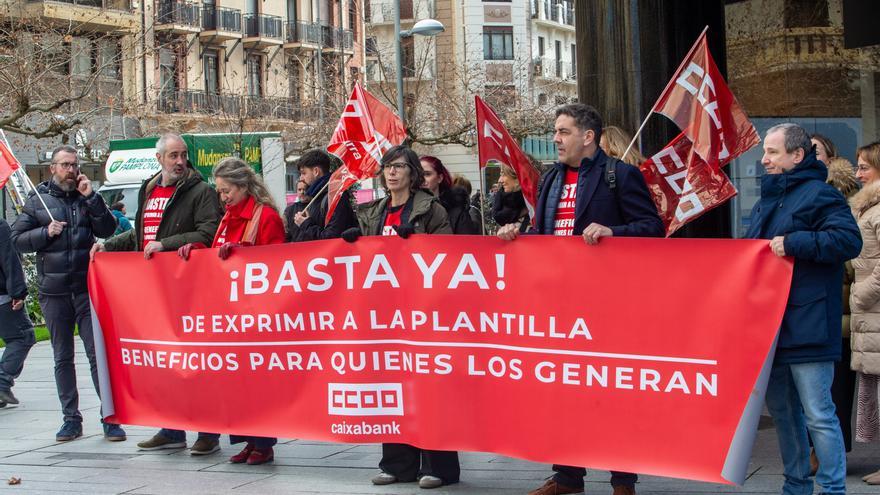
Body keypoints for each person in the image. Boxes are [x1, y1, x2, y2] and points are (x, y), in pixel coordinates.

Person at [500, 104, 664, 495]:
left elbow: (653, 229)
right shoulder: (550, 179)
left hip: (609, 304)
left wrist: (613, 231)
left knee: (612, 392)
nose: (555, 138)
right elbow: (544, 232)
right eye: (555, 131)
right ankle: (568, 475)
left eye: (562, 131)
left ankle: (623, 478)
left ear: (587, 136)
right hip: (560, 303)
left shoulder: (620, 175)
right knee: (563, 390)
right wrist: (516, 236)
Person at [745, 123, 861, 495]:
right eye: (765, 152)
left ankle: (831, 489)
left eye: (773, 153)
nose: (764, 159)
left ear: (797, 156)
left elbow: (847, 241)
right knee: (783, 415)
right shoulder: (767, 200)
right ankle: (796, 486)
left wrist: (794, 242)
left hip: (809, 323)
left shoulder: (821, 196)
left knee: (818, 414)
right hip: (772, 326)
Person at [91, 133, 223, 455]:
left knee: (197, 364)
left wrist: (167, 245)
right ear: (159, 158)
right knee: (165, 363)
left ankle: (209, 432)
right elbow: (143, 235)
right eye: (173, 156)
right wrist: (108, 246)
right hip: (156, 293)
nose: (180, 161)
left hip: (188, 291)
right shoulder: (150, 190)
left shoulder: (201, 192)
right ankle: (171, 428)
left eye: (183, 155)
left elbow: (209, 232)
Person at [341, 145, 454, 489]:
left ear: (412, 174)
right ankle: (397, 464)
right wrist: (354, 241)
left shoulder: (430, 209)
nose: (392, 172)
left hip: (421, 312)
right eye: (388, 167)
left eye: (399, 167)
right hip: (385, 314)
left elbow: (447, 254)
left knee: (429, 390)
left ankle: (439, 466)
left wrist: (419, 243)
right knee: (391, 387)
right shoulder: (372, 211)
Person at [10, 145, 124, 442]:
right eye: (65, 165)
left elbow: (109, 229)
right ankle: (70, 419)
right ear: (53, 169)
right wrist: (44, 233)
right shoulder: (38, 202)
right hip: (54, 292)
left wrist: (93, 198)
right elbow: (16, 239)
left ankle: (110, 417)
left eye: (74, 165)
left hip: (87, 290)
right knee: (62, 357)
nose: (70, 171)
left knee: (97, 355)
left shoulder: (86, 197)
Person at [177, 157, 285, 465]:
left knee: (257, 382)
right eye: (220, 191)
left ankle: (263, 443)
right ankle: (249, 440)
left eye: (227, 191)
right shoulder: (227, 218)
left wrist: (244, 255)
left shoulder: (265, 217)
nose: (223, 197)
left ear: (242, 186)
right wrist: (196, 252)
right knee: (237, 382)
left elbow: (279, 264)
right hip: (229, 312)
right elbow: (217, 257)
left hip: (256, 313)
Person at [809, 156, 860, 475]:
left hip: (842, 322)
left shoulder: (848, 222)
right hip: (820, 318)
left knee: (836, 393)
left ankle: (830, 455)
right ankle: (820, 452)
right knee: (820, 394)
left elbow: (857, 270)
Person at [848, 141, 880, 484]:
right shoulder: (867, 208)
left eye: (864, 168)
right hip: (871, 317)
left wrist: (861, 294)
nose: (858, 174)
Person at [0, 218, 36, 408]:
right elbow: (9, 258)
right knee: (23, 336)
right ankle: (2, 380)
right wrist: (18, 292)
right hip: (2, 296)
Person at [291, 149, 357, 241]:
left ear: (316, 171)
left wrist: (306, 224)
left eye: (304, 173)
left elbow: (331, 237)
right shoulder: (316, 196)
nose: (301, 178)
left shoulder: (335, 196)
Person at [420, 155, 478, 234]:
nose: (422, 179)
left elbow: (468, 243)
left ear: (440, 178)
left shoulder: (456, 211)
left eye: (427, 174)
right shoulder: (408, 208)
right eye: (418, 175)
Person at [491, 165, 530, 233]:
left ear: (517, 177)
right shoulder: (502, 199)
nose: (499, 180)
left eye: (503, 174)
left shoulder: (533, 206)